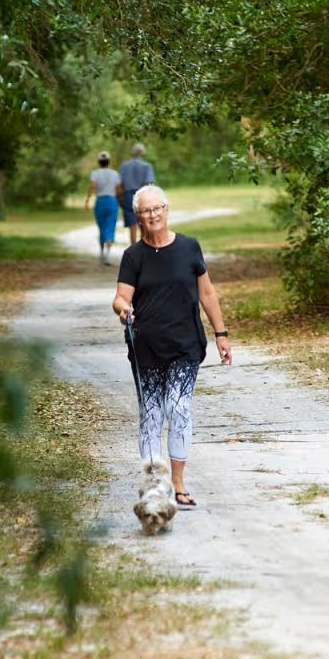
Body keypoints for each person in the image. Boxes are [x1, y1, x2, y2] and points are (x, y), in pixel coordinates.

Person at [112, 184, 231, 508]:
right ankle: (154, 484)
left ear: (166, 209)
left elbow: (207, 293)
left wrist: (221, 334)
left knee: (177, 408)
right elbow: (121, 296)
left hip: (185, 345)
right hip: (146, 348)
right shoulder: (133, 256)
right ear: (139, 216)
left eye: (157, 208)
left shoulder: (189, 247)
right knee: (151, 414)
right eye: (146, 211)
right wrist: (124, 308)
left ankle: (178, 482)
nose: (153, 215)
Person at [84, 150, 121, 265]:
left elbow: (93, 186)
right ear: (108, 161)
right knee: (110, 227)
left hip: (100, 202)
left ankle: (101, 253)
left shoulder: (95, 173)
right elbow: (119, 189)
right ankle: (107, 255)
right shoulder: (115, 174)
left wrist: (87, 200)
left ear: (99, 162)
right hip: (112, 201)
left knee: (102, 227)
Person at [118, 142, 156, 246]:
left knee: (132, 225)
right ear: (142, 153)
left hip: (128, 196)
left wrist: (120, 198)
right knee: (144, 224)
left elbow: (120, 185)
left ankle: (133, 248)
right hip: (142, 196)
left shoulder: (124, 166)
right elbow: (149, 184)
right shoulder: (147, 166)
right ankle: (143, 248)